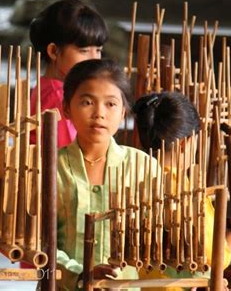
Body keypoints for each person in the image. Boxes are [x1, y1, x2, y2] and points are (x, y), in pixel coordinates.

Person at [56, 59, 159, 290]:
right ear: (66, 108)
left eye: (111, 104)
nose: (99, 113)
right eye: (87, 102)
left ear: (123, 112)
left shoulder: (144, 167)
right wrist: (80, 275)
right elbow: (37, 246)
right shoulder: (49, 167)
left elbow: (160, 240)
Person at [133, 91, 231, 290]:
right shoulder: (185, 191)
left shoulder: (136, 178)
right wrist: (230, 244)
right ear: (185, 144)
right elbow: (212, 255)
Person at [29, 0, 108, 148]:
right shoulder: (58, 97)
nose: (94, 59)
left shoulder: (48, 87)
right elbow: (67, 158)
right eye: (83, 51)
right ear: (53, 51)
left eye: (98, 50)